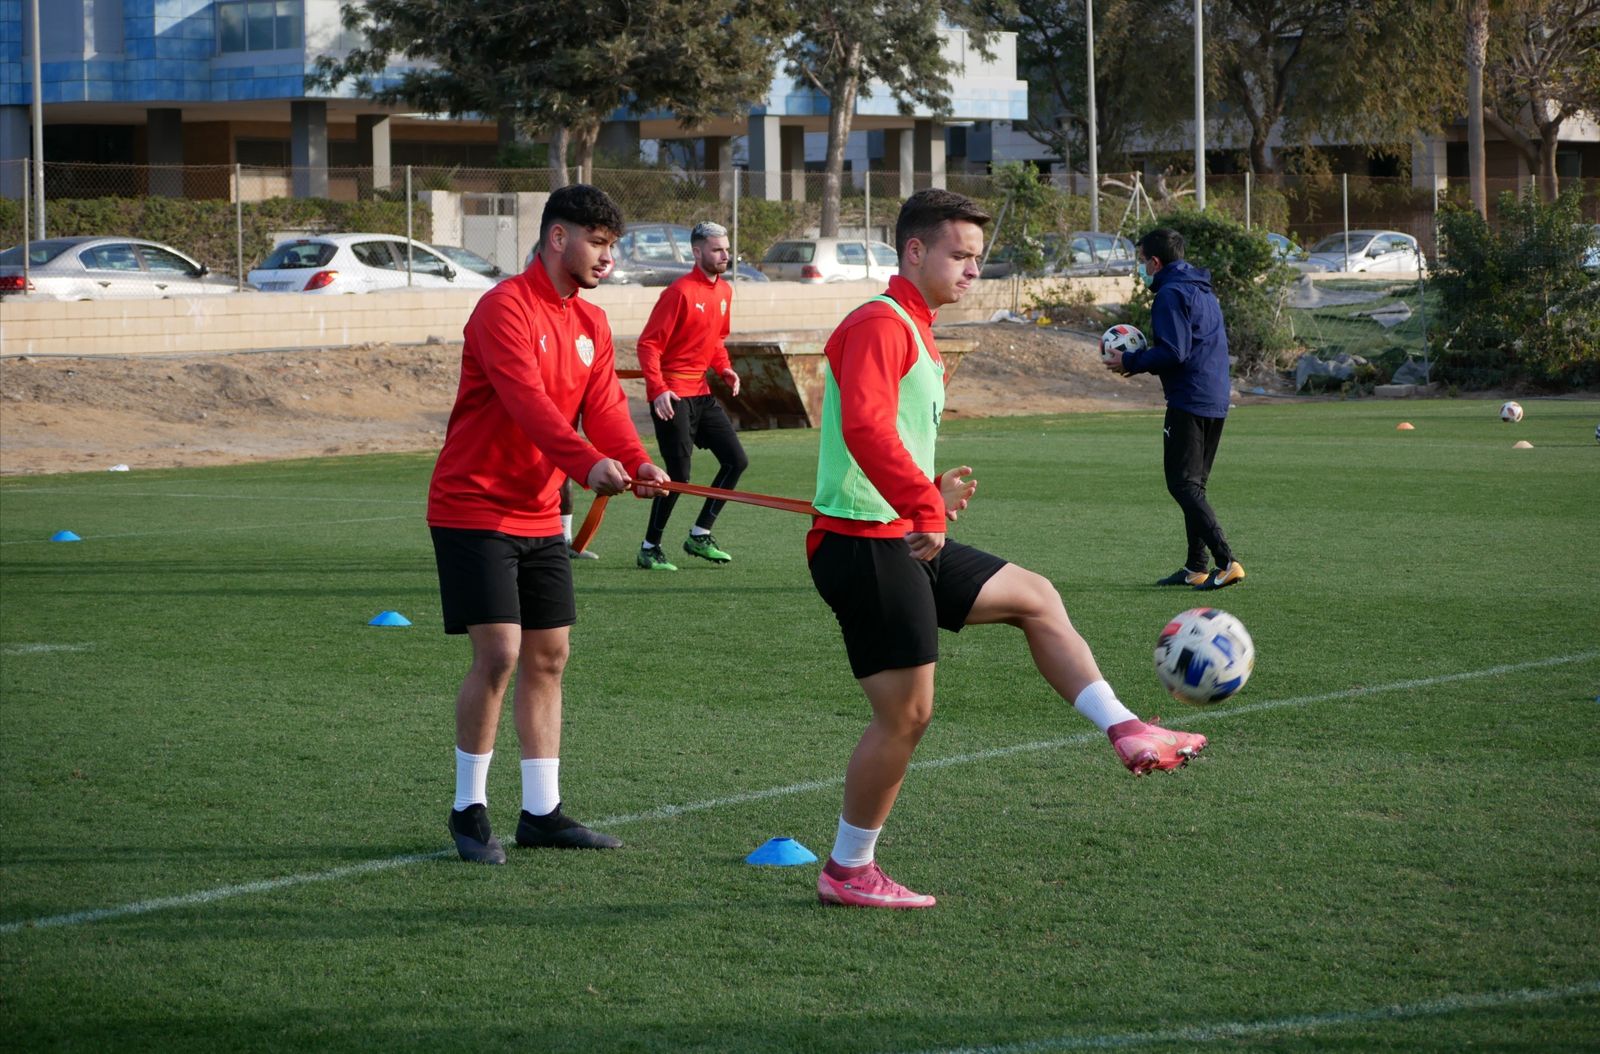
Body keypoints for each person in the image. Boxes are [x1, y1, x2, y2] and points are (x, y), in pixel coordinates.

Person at [807, 189, 1208, 910]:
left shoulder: (915, 328)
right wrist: (922, 502)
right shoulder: (879, 322)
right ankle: (847, 871)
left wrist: (926, 492)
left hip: (900, 533)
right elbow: (865, 430)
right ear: (914, 251)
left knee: (1035, 596)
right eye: (959, 256)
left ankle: (1125, 727)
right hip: (863, 546)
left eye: (977, 260)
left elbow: (875, 443)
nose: (972, 272)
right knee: (906, 716)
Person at [427, 184, 669, 864]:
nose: (608, 259)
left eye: (613, 247)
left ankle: (542, 813)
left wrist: (634, 460)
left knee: (549, 655)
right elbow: (530, 406)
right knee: (500, 653)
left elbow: (607, 407)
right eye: (598, 243)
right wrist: (589, 465)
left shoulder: (590, 324)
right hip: (472, 506)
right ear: (557, 237)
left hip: (537, 513)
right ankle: (468, 810)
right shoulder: (503, 309)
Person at [1105, 228, 1245, 591]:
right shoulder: (1201, 289)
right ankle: (1196, 567)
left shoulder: (1169, 294)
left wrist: (1130, 360)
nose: (1140, 269)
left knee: (1183, 485)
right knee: (1195, 485)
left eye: (1141, 261)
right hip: (1215, 397)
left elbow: (1174, 352)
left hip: (1189, 399)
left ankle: (1226, 561)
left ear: (1155, 261)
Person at [633, 221, 749, 571]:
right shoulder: (679, 292)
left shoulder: (725, 292)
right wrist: (658, 390)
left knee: (736, 461)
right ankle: (649, 547)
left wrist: (724, 368)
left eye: (727, 249)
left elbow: (715, 340)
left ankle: (700, 534)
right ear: (697, 252)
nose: (725, 255)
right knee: (678, 477)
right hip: (673, 397)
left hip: (701, 392)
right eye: (717, 249)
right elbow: (648, 345)